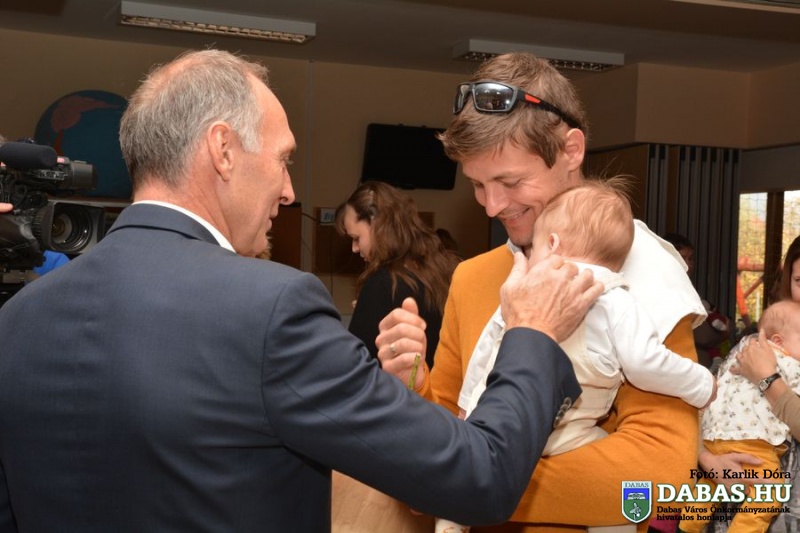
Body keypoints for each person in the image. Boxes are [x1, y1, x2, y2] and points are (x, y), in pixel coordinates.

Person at [0, 49, 606, 532]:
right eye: (283, 159)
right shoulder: (270, 307)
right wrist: (532, 333)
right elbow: (479, 477)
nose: (290, 192)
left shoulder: (20, 316)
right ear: (223, 151)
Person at [381, 52, 707, 531]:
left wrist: (460, 483)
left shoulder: (644, 274)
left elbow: (658, 471)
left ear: (571, 150)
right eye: (478, 185)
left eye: (510, 181)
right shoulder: (473, 277)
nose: (492, 206)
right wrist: (412, 384)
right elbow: (450, 420)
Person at [435, 179, 716, 533]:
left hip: (514, 423)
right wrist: (701, 384)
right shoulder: (619, 299)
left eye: (534, 249)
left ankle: (451, 517)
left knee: (465, 474)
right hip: (573, 427)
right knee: (621, 503)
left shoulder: (523, 290)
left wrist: (468, 407)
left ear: (552, 244)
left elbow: (488, 349)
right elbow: (645, 362)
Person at [679, 300, 800, 533]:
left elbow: (708, 394)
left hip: (716, 438)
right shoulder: (790, 363)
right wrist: (706, 459)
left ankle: (686, 526)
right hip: (754, 444)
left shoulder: (745, 350)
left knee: (710, 487)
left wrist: (706, 454)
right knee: (769, 492)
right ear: (778, 341)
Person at [335, 181, 460, 368]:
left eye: (356, 238)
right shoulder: (444, 269)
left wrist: (369, 306)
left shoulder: (383, 283)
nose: (354, 248)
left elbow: (356, 364)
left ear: (376, 225)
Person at [663, 233, 731, 369]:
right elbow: (704, 336)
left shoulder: (686, 289)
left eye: (691, 259)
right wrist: (725, 332)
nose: (688, 264)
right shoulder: (667, 291)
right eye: (682, 258)